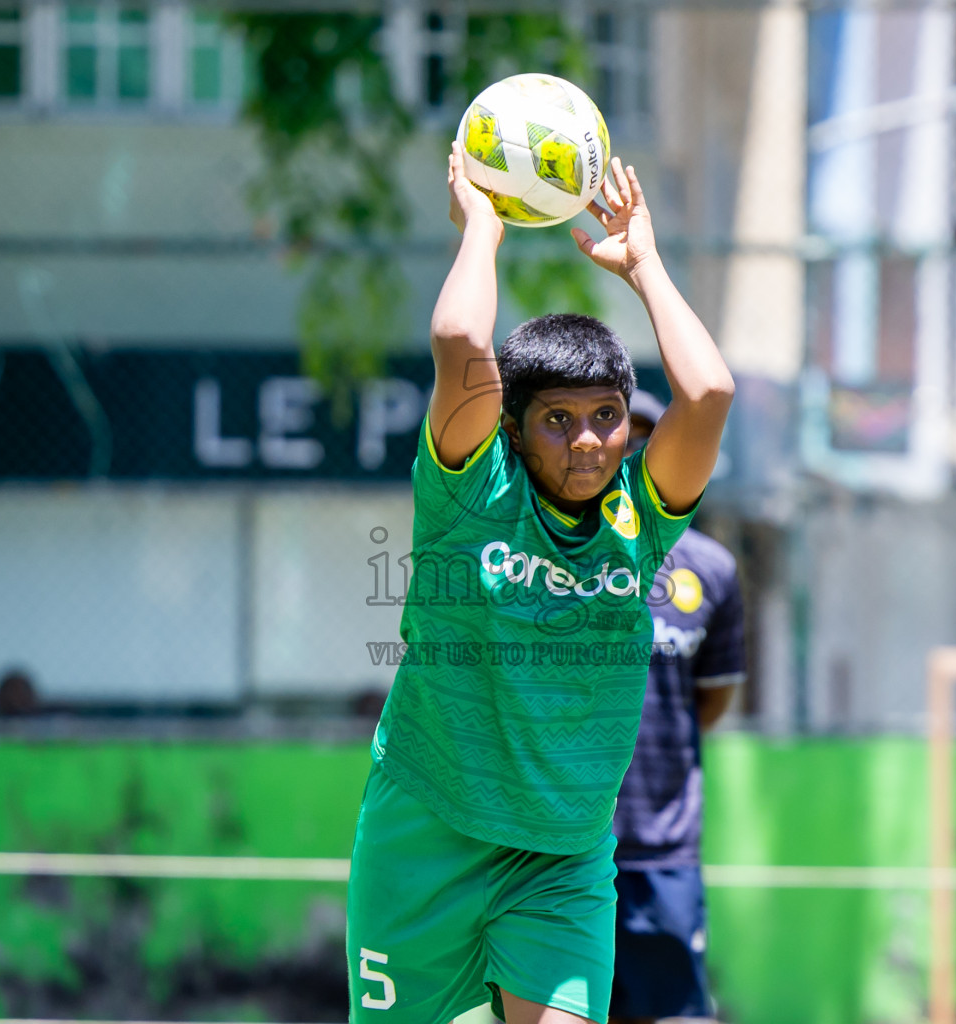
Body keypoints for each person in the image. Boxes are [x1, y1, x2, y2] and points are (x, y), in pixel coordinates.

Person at [345, 144, 734, 1024]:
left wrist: (644, 262)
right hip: (428, 831)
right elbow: (458, 340)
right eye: (557, 420)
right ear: (514, 433)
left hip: (561, 859)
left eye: (604, 419)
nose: (589, 440)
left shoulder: (641, 520)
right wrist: (483, 224)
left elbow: (706, 394)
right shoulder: (471, 493)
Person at [608, 391, 745, 1024]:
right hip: (556, 847)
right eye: (618, 437)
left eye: (645, 439)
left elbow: (710, 702)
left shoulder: (711, 571)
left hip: (662, 849)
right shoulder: (547, 559)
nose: (628, 452)